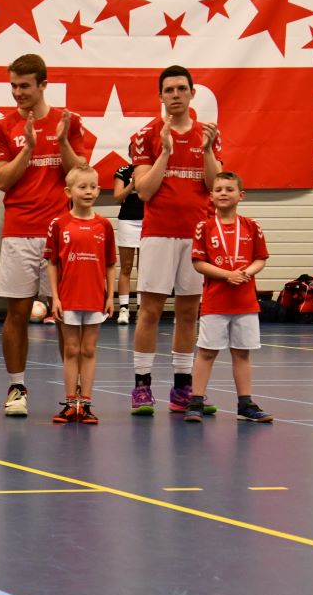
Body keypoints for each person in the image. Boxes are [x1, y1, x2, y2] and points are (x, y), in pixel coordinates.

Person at [0, 53, 87, 417]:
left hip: (62, 231)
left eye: (25, 85)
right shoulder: (2, 127)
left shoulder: (69, 122)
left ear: (43, 84)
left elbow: (81, 175)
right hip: (19, 231)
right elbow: (1, 179)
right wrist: (28, 149)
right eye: (13, 85)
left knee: (65, 315)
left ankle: (74, 391)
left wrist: (60, 143)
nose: (18, 92)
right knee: (16, 313)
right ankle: (17, 388)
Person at [130, 65, 222, 416]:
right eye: (169, 90)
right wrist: (166, 152)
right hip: (158, 234)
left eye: (182, 89)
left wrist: (210, 150)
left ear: (192, 93)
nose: (176, 95)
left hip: (195, 235)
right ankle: (142, 386)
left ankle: (183, 387)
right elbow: (143, 189)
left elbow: (214, 187)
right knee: (150, 312)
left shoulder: (208, 133)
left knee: (188, 312)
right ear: (161, 96)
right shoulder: (146, 135)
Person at [187, 172, 272, 423]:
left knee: (242, 353)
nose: (224, 193)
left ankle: (245, 404)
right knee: (207, 352)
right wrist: (227, 275)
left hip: (245, 302)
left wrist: (245, 273)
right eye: (219, 189)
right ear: (211, 196)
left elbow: (260, 258)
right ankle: (196, 402)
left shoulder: (251, 225)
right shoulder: (204, 226)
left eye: (229, 189)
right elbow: (199, 262)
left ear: (240, 195)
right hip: (216, 302)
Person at [45, 165, 116, 425]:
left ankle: (85, 403)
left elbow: (110, 263)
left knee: (88, 349)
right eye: (82, 187)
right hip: (69, 297)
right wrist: (55, 297)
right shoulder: (59, 224)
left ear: (99, 189)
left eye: (92, 187)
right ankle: (69, 403)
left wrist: (110, 297)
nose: (88, 191)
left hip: (95, 297)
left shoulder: (104, 225)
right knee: (71, 348)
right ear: (68, 191)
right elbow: (52, 262)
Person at [113, 161, 143, 324]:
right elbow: (117, 197)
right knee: (126, 266)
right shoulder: (123, 171)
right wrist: (132, 183)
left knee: (144, 268)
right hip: (128, 221)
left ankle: (141, 308)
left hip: (149, 221)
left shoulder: (153, 169)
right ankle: (124, 309)